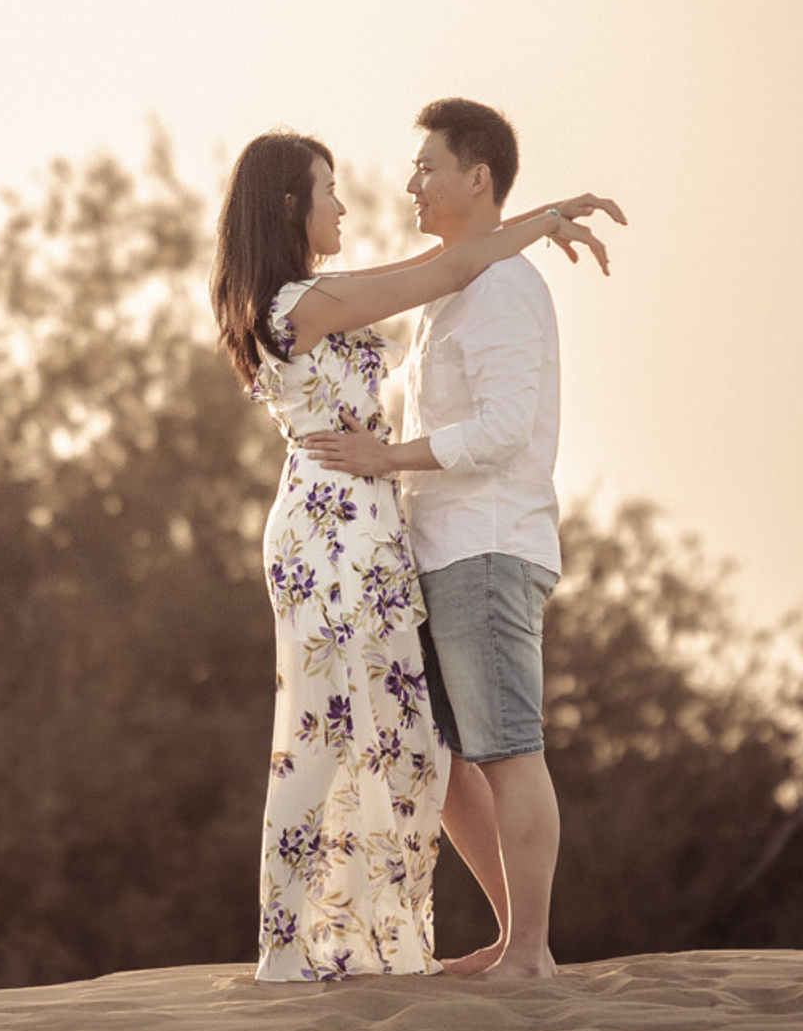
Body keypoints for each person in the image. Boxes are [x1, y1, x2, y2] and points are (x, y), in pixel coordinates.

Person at [213, 131, 619, 983]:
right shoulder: (302, 301)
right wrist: (544, 219)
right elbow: (441, 273)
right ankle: (300, 947)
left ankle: (448, 937)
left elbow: (439, 275)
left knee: (408, 736)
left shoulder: (310, 296)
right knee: (327, 732)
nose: (345, 205)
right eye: (328, 190)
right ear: (290, 204)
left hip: (365, 525)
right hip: (332, 531)